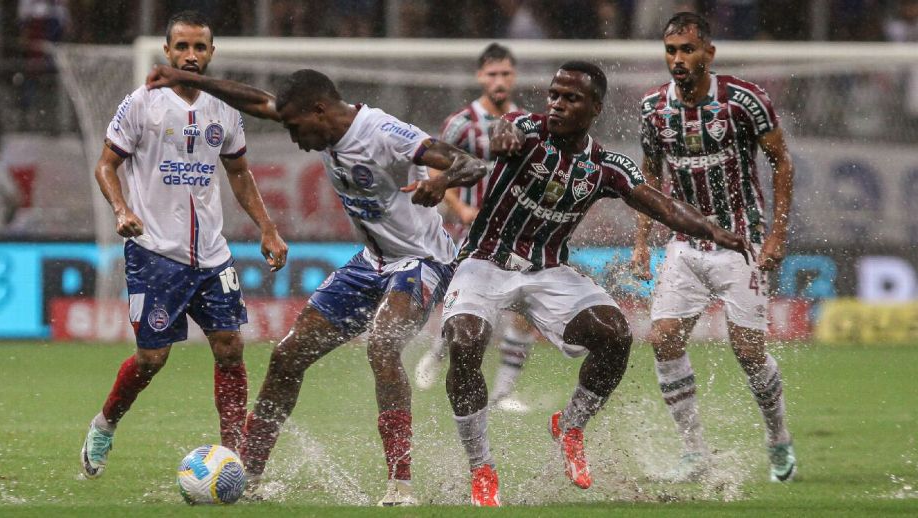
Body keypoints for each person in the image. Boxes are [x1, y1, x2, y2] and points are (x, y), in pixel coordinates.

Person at [407, 61, 751, 506]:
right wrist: (482, 152)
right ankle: (482, 469)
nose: (557, 104)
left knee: (615, 334)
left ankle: (569, 425)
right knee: (465, 341)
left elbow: (661, 204)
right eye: (553, 94)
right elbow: (502, 134)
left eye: (570, 98)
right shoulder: (525, 130)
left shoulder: (606, 166)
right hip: (486, 262)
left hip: (548, 270)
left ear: (595, 108)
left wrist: (714, 231)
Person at [146, 66, 491, 506]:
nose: (293, 138)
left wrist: (440, 181)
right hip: (372, 263)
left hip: (423, 261)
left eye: (294, 126)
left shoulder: (384, 132)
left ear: (319, 109)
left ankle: (400, 485)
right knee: (287, 356)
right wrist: (185, 77)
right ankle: (248, 475)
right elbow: (255, 102)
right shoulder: (313, 119)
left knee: (383, 346)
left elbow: (472, 163)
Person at [80, 11, 288, 480]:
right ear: (167, 52)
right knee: (153, 358)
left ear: (211, 53)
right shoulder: (141, 103)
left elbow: (238, 172)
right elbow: (106, 165)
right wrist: (121, 210)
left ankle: (233, 459)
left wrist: (267, 229)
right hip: (155, 251)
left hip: (212, 255)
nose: (191, 56)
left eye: (199, 48)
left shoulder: (225, 108)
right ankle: (105, 423)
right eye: (182, 48)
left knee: (230, 346)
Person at [631, 11, 796, 483]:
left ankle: (778, 437)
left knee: (747, 351)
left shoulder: (744, 101)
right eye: (671, 50)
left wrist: (776, 234)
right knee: (663, 338)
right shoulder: (652, 109)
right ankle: (694, 450)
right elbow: (650, 178)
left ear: (709, 52)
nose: (678, 59)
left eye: (687, 49)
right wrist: (642, 242)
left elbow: (781, 162)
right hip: (683, 245)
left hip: (740, 245)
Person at [414, 42, 537, 413]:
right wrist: (460, 206)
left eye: (505, 73)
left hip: (519, 230)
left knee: (525, 309)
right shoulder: (462, 122)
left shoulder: (528, 122)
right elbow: (434, 169)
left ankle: (502, 394)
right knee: (465, 299)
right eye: (492, 74)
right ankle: (437, 353)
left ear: (514, 77)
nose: (499, 80)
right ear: (480, 77)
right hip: (478, 229)